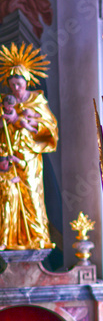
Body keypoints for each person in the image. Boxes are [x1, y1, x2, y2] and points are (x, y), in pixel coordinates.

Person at [0, 43, 58, 249]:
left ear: (26, 82)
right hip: (8, 158)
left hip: (30, 159)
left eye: (19, 84)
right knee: (9, 199)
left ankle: (38, 239)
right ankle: (11, 240)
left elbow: (50, 128)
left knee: (32, 196)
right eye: (12, 84)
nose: (16, 88)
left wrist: (23, 121)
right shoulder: (4, 103)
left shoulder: (37, 100)